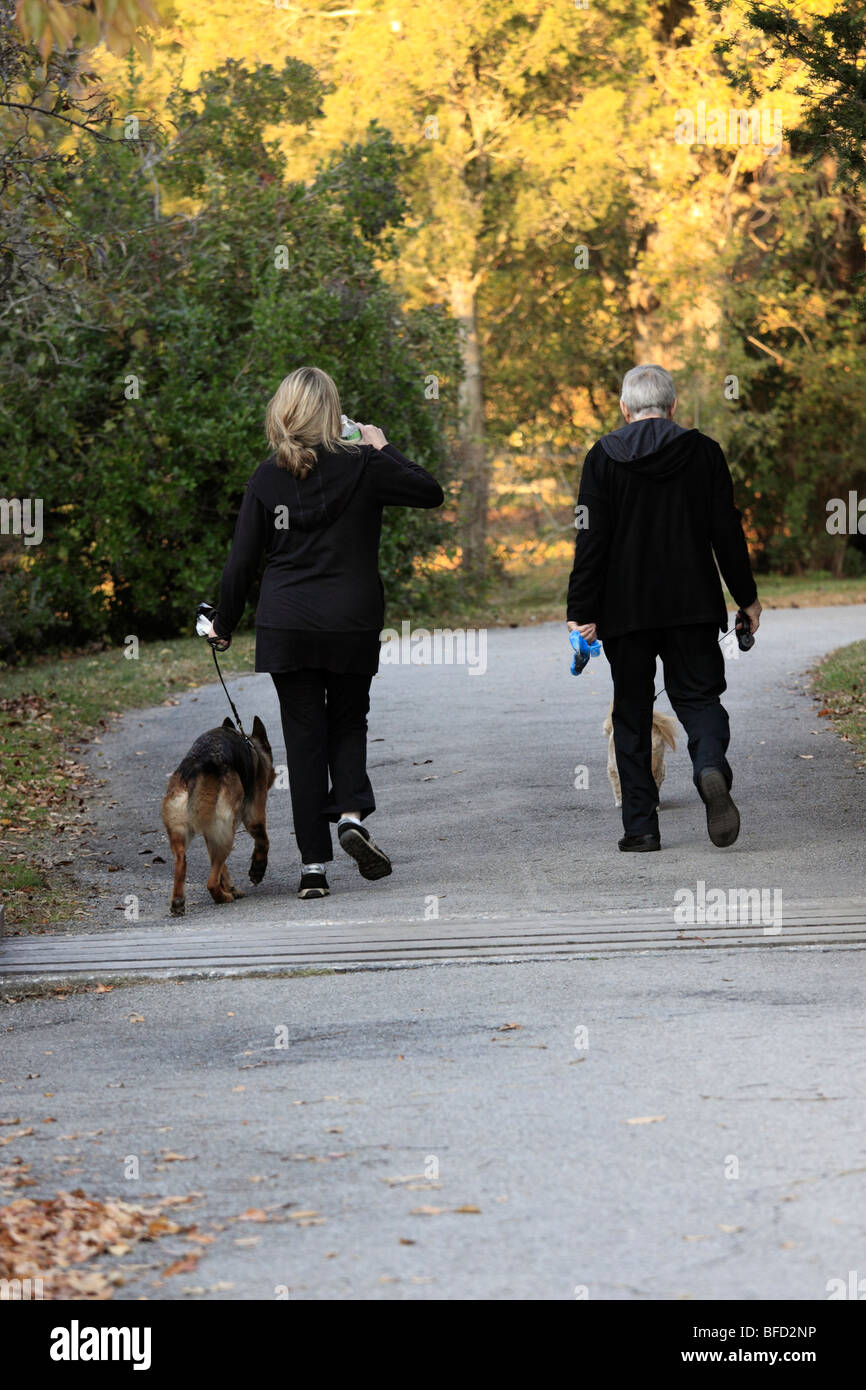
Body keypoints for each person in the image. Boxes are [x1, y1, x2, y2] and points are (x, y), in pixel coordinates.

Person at [205, 366, 444, 898]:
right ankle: (352, 817)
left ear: (284, 412)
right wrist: (383, 447)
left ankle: (314, 868)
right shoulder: (365, 464)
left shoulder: (268, 476)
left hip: (287, 623)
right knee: (349, 721)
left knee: (304, 740)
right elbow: (430, 492)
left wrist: (223, 623)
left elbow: (241, 561)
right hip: (351, 619)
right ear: (333, 412)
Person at [566, 363, 761, 852]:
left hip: (624, 611)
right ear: (673, 407)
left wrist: (581, 610)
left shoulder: (602, 457)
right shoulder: (704, 453)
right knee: (699, 700)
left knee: (631, 712)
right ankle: (710, 766)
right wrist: (747, 598)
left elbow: (590, 537)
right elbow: (727, 532)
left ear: (624, 409)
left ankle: (641, 829)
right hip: (692, 605)